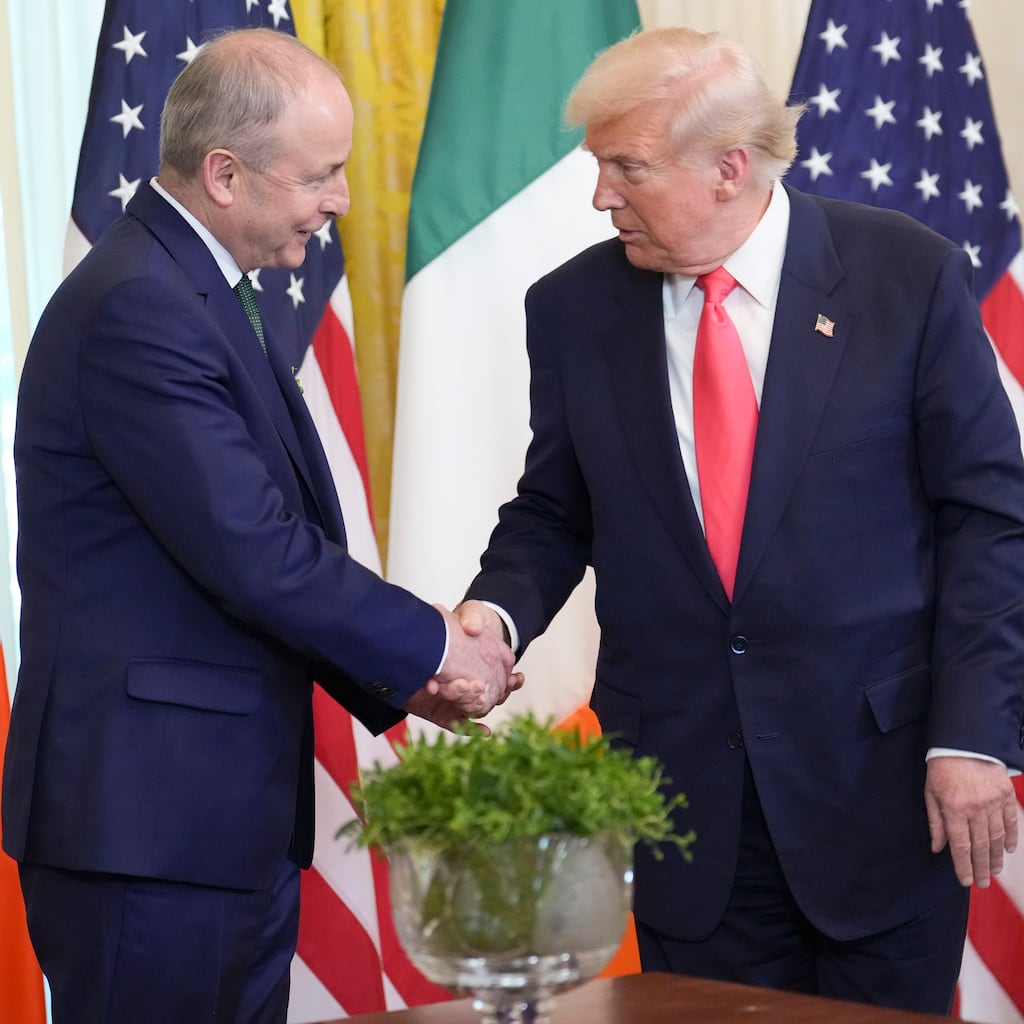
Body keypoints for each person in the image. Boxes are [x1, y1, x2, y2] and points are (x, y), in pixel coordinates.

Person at [458, 25, 1024, 1015]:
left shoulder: (903, 275)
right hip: (682, 797)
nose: (601, 197)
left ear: (728, 167)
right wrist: (490, 617)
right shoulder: (573, 308)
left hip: (879, 791)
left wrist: (974, 736)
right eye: (600, 167)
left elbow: (989, 517)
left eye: (625, 167)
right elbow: (553, 509)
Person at [1, 27, 519, 1024]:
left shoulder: (189, 293)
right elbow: (254, 551)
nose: (339, 203)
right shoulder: (139, 308)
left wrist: (411, 672)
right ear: (225, 173)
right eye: (319, 176)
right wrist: (431, 650)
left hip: (202, 826)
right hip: (147, 833)